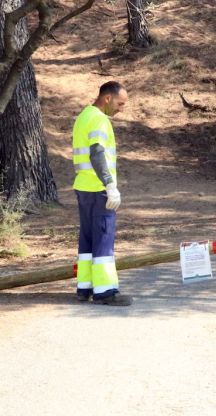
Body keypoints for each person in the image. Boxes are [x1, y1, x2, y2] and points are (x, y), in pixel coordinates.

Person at [72, 81, 132, 306]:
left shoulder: (83, 116)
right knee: (104, 238)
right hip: (99, 190)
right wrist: (109, 184)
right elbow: (97, 154)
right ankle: (106, 291)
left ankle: (84, 288)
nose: (121, 109)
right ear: (107, 98)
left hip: (83, 187)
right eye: (120, 103)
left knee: (87, 239)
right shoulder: (99, 119)